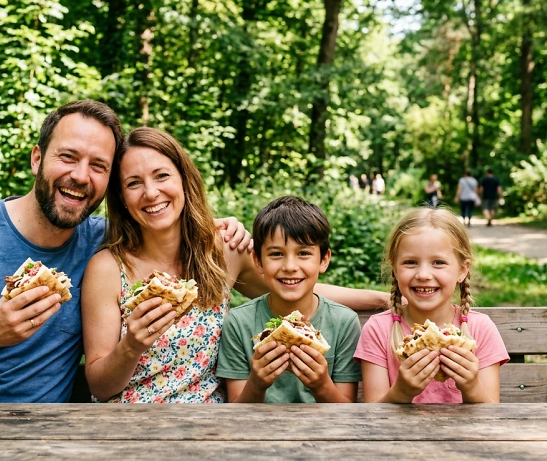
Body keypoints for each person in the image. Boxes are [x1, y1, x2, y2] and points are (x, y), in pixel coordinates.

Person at [0, 101, 251, 403]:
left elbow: (159, 217)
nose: (80, 176)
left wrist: (210, 225)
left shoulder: (103, 243)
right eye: (68, 157)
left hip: (52, 436)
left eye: (98, 166)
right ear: (37, 159)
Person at [81, 128, 387, 403]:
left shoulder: (223, 249)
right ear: (121, 197)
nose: (151, 193)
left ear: (184, 180)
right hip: (128, 429)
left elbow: (295, 287)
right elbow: (100, 386)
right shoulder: (107, 268)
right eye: (134, 183)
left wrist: (382, 299)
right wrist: (131, 345)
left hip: (213, 429)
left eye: (162, 176)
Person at [354, 207, 509, 403]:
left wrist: (471, 386)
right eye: (410, 262)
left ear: (462, 270)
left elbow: (491, 413)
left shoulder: (480, 329)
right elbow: (373, 415)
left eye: (438, 262)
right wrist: (401, 392)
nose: (424, 275)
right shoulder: (378, 330)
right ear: (394, 267)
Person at [217, 196, 361, 403]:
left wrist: (321, 385)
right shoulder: (239, 323)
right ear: (258, 261)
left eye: (303, 253)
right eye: (276, 254)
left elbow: (348, 411)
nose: (290, 266)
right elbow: (236, 409)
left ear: (324, 260)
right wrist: (257, 384)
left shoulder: (344, 323)